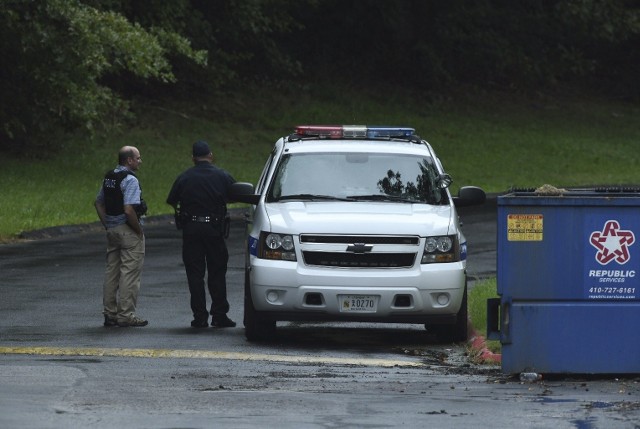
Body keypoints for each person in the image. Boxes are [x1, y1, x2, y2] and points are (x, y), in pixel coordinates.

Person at [166, 140, 236, 328]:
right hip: (214, 230)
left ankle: (200, 316)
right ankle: (219, 315)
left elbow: (172, 200)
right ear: (210, 155)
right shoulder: (222, 176)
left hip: (191, 230)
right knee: (217, 272)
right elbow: (236, 193)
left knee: (195, 274)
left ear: (193, 158)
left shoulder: (184, 177)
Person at [95, 146, 148, 327]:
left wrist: (107, 225)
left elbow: (99, 203)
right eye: (138, 158)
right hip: (128, 230)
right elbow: (129, 209)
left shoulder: (110, 177)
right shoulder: (130, 180)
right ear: (129, 161)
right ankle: (126, 315)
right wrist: (138, 230)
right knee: (129, 273)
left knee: (112, 272)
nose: (140, 161)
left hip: (112, 229)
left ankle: (109, 314)